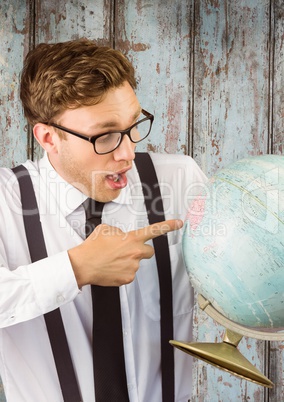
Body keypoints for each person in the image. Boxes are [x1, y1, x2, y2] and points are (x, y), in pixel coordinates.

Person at [0, 38, 207, 402]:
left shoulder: (179, 180)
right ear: (49, 137)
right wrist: (76, 268)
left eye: (133, 126)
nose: (128, 152)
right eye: (106, 135)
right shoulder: (6, 200)